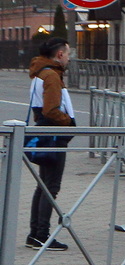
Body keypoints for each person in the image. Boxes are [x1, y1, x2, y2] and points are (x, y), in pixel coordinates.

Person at [27, 37, 76, 251]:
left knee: (44, 186)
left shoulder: (41, 73)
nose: (68, 57)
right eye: (67, 53)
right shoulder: (51, 75)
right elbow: (51, 110)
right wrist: (70, 123)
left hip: (45, 132)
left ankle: (35, 234)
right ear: (59, 55)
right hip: (53, 134)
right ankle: (41, 235)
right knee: (51, 187)